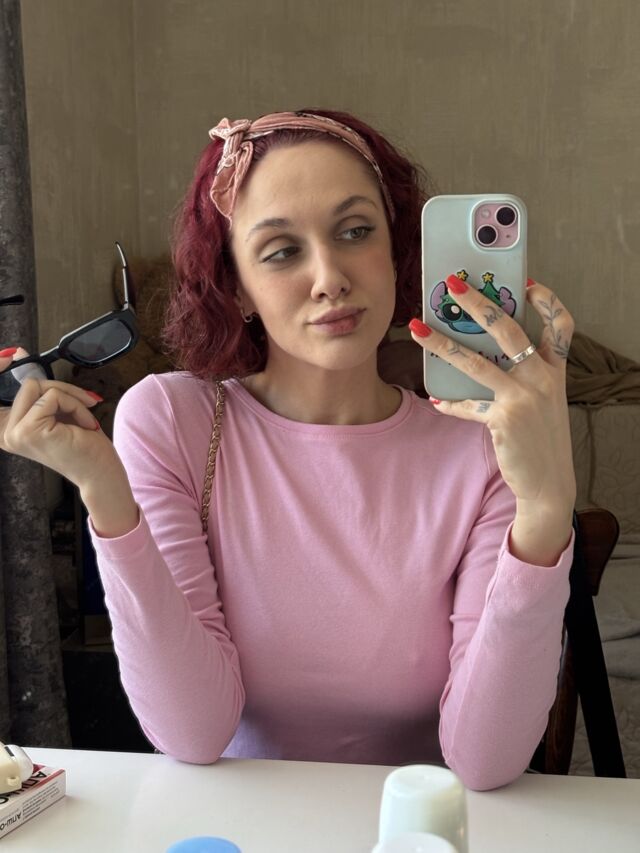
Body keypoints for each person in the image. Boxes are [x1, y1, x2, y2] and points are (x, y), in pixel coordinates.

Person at [0, 109, 576, 791]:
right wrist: (106, 494)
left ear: (397, 250)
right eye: (281, 250)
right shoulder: (174, 420)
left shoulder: (480, 442)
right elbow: (193, 732)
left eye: (355, 231)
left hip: (417, 824)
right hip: (244, 822)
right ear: (236, 285)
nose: (329, 276)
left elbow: (486, 760)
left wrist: (546, 510)